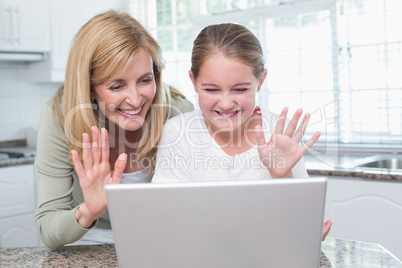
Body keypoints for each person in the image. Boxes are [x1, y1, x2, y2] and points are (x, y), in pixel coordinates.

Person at [151, 23, 332, 240]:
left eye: (240, 89)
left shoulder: (279, 132)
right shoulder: (177, 132)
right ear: (193, 81)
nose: (226, 103)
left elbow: (303, 226)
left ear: (260, 80)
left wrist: (281, 174)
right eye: (211, 89)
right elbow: (164, 218)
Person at [34, 10, 194, 250]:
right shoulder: (61, 116)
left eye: (145, 80)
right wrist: (88, 211)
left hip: (161, 235)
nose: (135, 99)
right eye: (117, 85)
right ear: (88, 87)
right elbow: (48, 229)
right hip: (88, 240)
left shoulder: (177, 112)